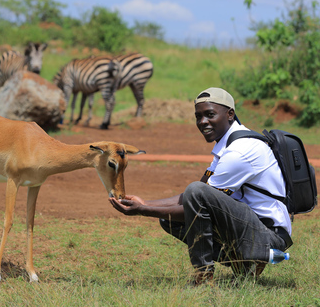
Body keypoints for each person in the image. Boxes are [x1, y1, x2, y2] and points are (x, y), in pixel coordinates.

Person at [109, 87, 293, 285]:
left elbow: (198, 197)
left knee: (192, 193)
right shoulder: (230, 143)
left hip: (269, 236)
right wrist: (147, 204)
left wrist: (144, 210)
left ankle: (205, 277)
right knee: (170, 217)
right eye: (198, 116)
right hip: (253, 226)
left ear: (230, 114)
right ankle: (245, 265)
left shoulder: (240, 151)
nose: (202, 122)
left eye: (210, 114)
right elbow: (195, 198)